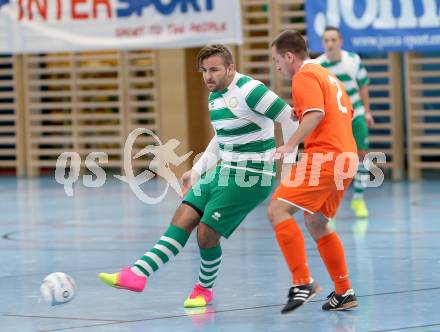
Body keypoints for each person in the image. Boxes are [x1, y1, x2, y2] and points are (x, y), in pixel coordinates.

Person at [99, 44, 298, 308]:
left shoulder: (251, 91)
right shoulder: (215, 95)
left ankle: (204, 289)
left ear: (231, 68)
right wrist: (196, 169)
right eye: (204, 71)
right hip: (225, 168)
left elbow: (290, 118)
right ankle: (138, 274)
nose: (208, 76)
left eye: (214, 70)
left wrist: (288, 170)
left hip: (252, 175)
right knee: (183, 216)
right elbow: (222, 136)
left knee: (205, 234)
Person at [268, 30, 359, 313]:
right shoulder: (328, 76)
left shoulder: (303, 76)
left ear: (289, 56)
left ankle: (302, 281)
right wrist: (303, 109)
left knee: (277, 211)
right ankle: (344, 292)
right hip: (347, 157)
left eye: (276, 60)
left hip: (326, 156)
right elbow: (345, 112)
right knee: (317, 223)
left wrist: (291, 144)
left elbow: (317, 113)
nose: (277, 66)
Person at [316, 26, 374, 218]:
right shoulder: (318, 66)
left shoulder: (353, 60)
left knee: (362, 155)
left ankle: (358, 198)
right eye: (326, 40)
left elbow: (363, 85)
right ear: (323, 43)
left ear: (340, 41)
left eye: (333, 40)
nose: (330, 44)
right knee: (334, 160)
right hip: (334, 120)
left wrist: (367, 111)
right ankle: (330, 204)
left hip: (356, 115)